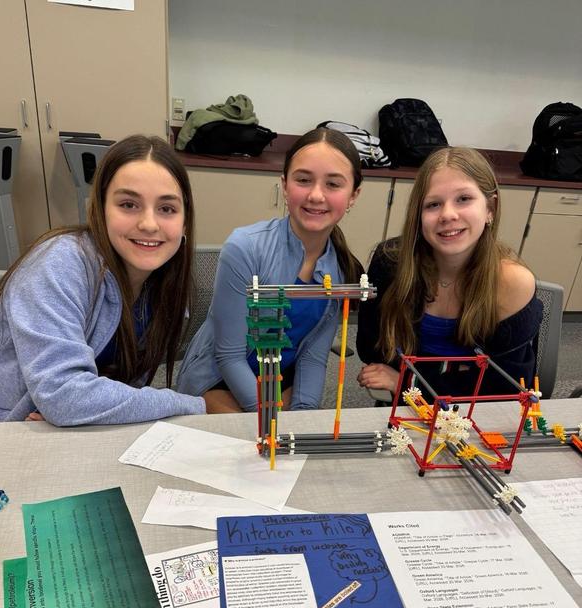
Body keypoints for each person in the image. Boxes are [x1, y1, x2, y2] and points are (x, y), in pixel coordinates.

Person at [0, 134, 205, 425]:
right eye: (128, 204)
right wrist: (191, 404)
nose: (149, 224)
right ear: (100, 209)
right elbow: (64, 396)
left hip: (74, 429)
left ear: (184, 221)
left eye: (167, 209)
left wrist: (81, 409)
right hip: (0, 432)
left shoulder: (166, 286)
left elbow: (119, 393)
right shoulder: (60, 263)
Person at [177, 127, 362, 413]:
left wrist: (304, 416)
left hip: (278, 376)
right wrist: (268, 418)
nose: (316, 195)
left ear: (353, 196)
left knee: (297, 443)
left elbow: (313, 359)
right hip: (219, 377)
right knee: (252, 446)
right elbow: (229, 356)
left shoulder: (342, 271)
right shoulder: (244, 248)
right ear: (285, 185)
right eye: (303, 180)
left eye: (333, 184)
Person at [356, 147, 543, 400]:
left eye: (464, 199)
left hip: (475, 413)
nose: (447, 214)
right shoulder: (390, 263)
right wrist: (458, 373)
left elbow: (504, 385)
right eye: (433, 204)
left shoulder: (512, 281)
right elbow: (373, 349)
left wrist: (407, 380)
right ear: (418, 215)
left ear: (490, 208)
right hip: (405, 408)